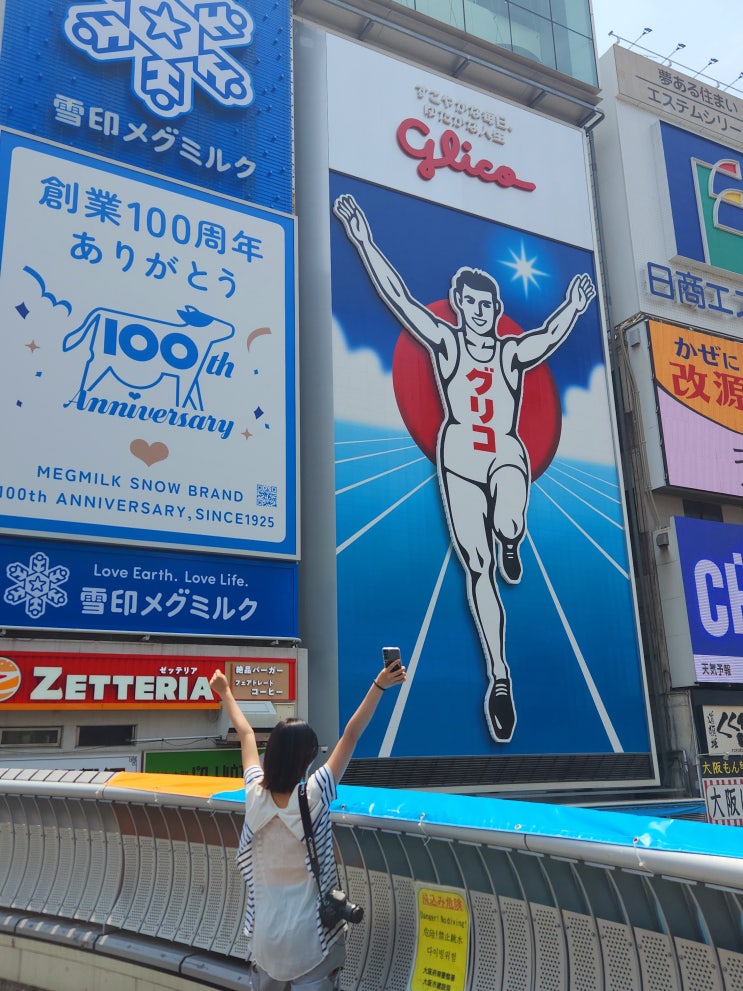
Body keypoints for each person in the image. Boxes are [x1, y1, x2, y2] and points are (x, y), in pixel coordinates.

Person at [333, 193, 596, 743]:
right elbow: (400, 298)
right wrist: (362, 240)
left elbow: (548, 337)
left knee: (508, 517)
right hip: (458, 459)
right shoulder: (447, 345)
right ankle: (499, 678)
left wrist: (573, 306)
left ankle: (511, 537)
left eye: (486, 304)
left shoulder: (509, 353)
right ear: (458, 305)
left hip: (503, 453)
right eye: (470, 303)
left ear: (496, 309)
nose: (479, 311)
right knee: (477, 569)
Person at [209, 660, 406, 991]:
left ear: (272, 755)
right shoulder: (314, 794)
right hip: (310, 943)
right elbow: (351, 733)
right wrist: (379, 685)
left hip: (264, 940)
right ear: (308, 757)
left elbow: (246, 734)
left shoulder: (254, 793)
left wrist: (225, 692)